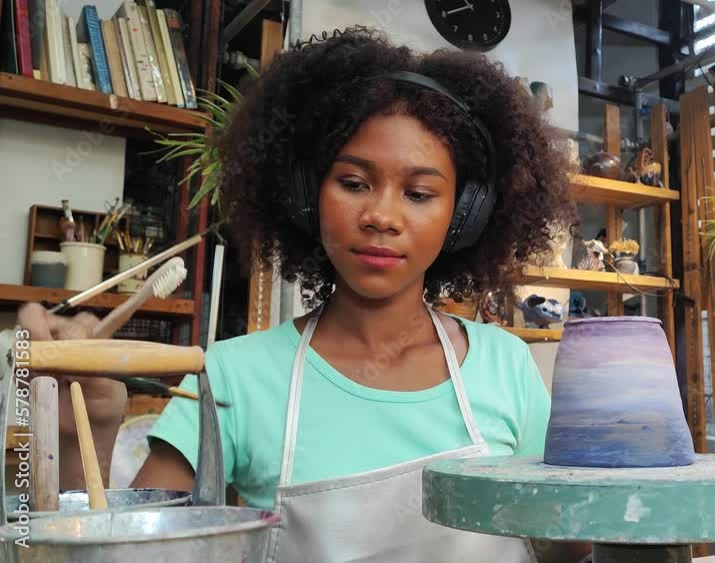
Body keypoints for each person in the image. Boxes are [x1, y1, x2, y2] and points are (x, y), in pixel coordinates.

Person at [17, 26, 584, 562]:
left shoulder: (507, 367)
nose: (382, 216)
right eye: (354, 183)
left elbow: (563, 544)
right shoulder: (230, 379)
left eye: (418, 193)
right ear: (305, 194)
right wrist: (77, 438)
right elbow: (136, 555)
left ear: (464, 216)